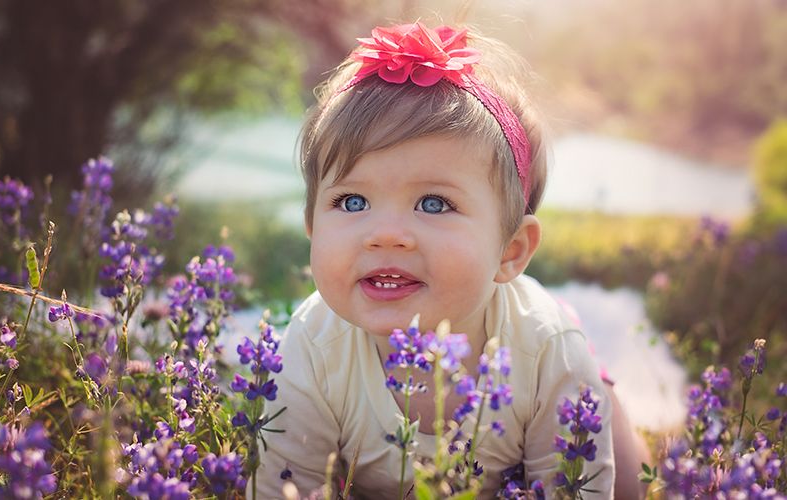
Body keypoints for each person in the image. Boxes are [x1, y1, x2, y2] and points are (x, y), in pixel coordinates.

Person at [257, 22, 641, 498]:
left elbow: (573, 490)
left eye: (434, 203)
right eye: (352, 202)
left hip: (550, 360)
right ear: (312, 226)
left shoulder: (545, 349)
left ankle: (606, 389)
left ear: (511, 250)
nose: (387, 235)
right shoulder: (313, 342)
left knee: (627, 477)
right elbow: (287, 486)